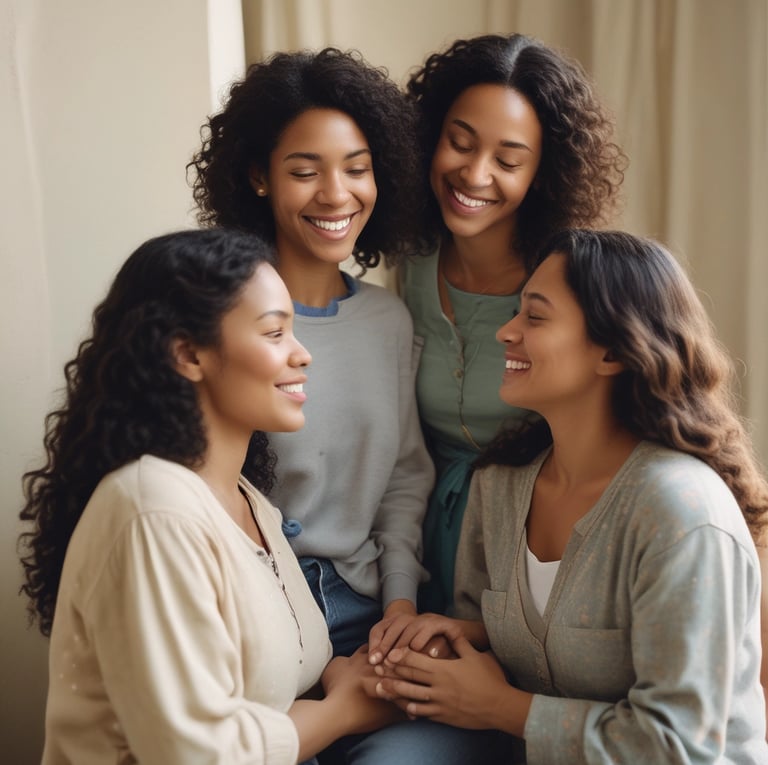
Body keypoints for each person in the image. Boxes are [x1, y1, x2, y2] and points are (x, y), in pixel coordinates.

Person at [375, 229, 768, 762]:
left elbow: (681, 747)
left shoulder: (681, 513)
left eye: (534, 317)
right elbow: (530, 642)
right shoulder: (501, 485)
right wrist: (465, 637)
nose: (505, 333)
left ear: (612, 351)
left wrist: (499, 706)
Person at [18, 228, 399, 765]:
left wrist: (352, 673)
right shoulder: (151, 508)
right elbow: (199, 754)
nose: (302, 354)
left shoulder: (251, 503)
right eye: (274, 333)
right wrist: (344, 711)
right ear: (188, 355)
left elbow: (263, 674)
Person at [188, 48, 435, 659]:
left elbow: (404, 479)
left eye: (357, 168)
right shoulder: (212, 318)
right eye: (305, 171)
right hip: (248, 610)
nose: (336, 194)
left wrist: (400, 604)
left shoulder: (389, 321)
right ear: (259, 176)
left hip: (364, 611)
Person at [396, 33, 627, 616]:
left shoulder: (569, 285)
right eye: (459, 143)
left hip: (530, 537)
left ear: (542, 174)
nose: (474, 174)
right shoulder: (409, 261)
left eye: (508, 160)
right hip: (420, 533)